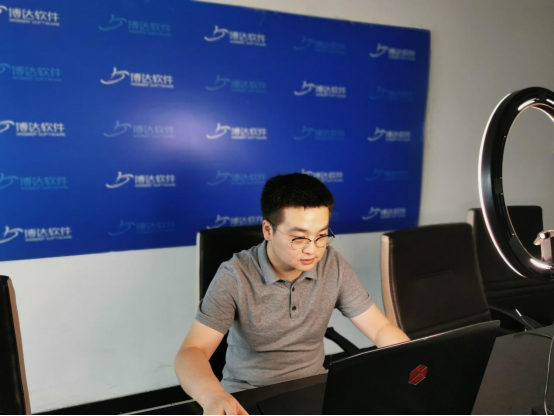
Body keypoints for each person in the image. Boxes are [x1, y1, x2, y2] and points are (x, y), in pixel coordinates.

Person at [175, 173, 410, 415]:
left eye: (321, 236)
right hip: (249, 395)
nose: (312, 249)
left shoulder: (332, 264)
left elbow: (380, 329)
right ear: (268, 230)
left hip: (313, 389)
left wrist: (412, 365)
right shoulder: (235, 275)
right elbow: (192, 352)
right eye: (299, 238)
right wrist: (213, 396)